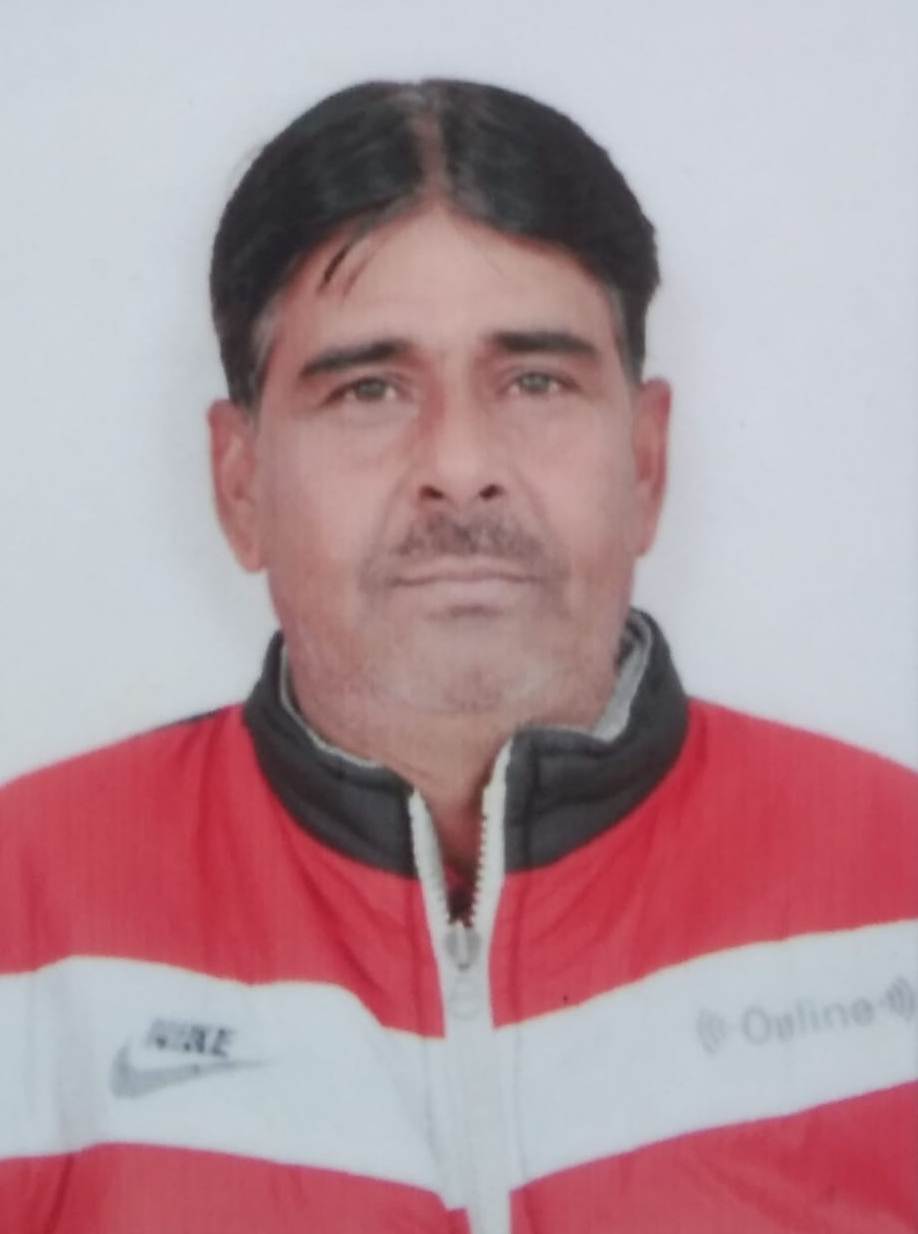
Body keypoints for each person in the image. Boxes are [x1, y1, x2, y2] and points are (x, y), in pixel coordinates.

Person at [0, 79, 915, 1234]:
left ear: (645, 463)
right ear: (240, 484)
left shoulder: (895, 885)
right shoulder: (25, 915)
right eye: (369, 389)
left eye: (535, 380)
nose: (461, 465)